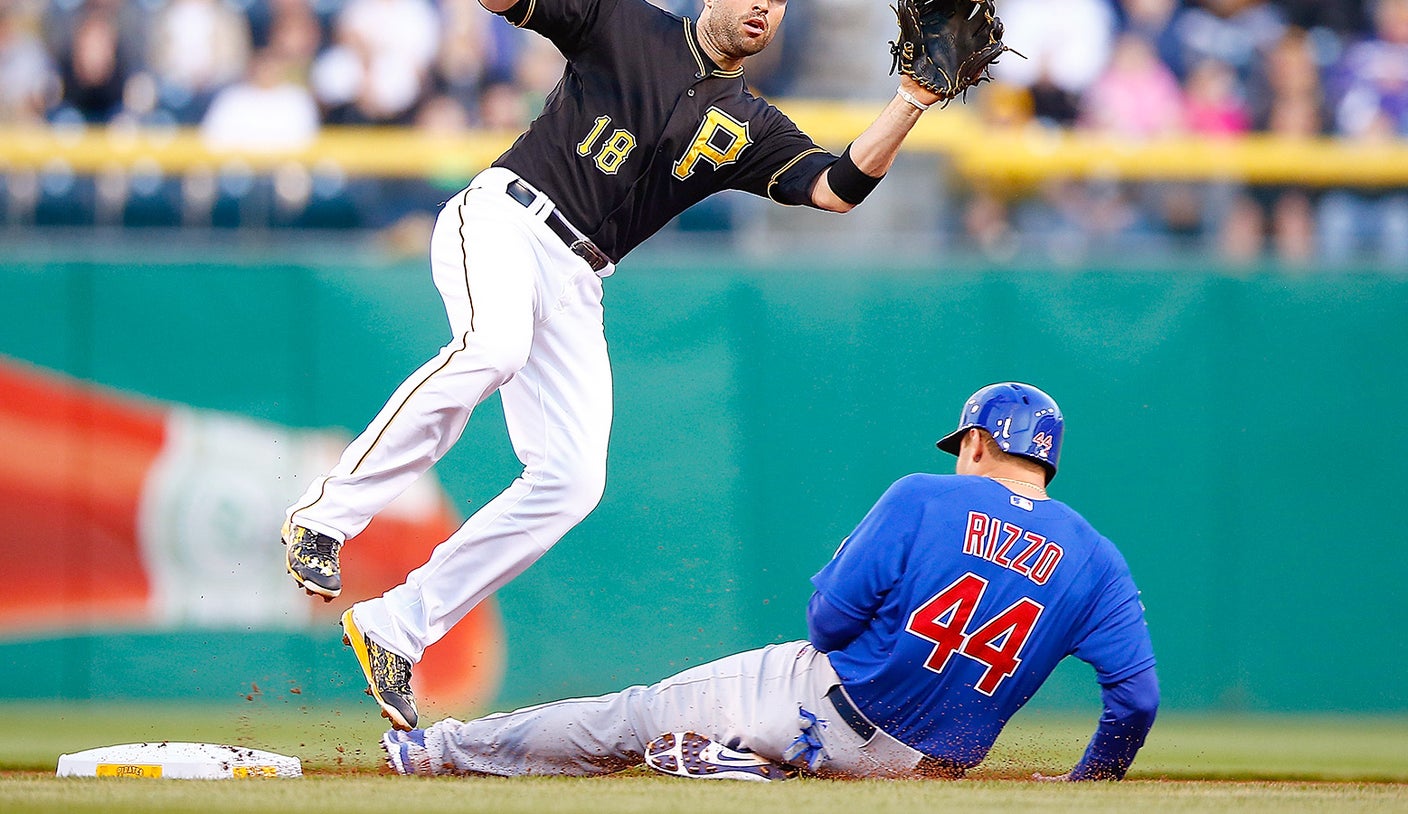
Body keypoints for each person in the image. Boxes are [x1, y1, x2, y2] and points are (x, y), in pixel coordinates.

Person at [281, 0, 978, 731]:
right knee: (491, 347)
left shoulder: (749, 123)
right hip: (506, 219)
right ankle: (323, 520)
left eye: (776, 3)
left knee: (572, 481)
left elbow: (837, 188)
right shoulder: (622, 22)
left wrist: (911, 101)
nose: (763, 10)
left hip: (582, 278)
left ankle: (396, 628)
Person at [377, 382, 1159, 781]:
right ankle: (757, 766)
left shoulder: (927, 496)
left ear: (984, 440)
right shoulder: (1099, 562)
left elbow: (827, 623)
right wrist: (1091, 782)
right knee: (836, 759)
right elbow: (1137, 700)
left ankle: (436, 751)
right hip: (927, 770)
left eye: (966, 441)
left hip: (830, 705)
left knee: (633, 716)